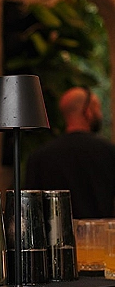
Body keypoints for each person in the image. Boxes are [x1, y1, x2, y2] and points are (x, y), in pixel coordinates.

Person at [25, 86, 115, 219]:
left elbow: (30, 209)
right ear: (88, 111)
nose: (100, 114)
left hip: (55, 231)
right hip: (100, 231)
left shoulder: (39, 157)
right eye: (97, 108)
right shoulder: (108, 151)